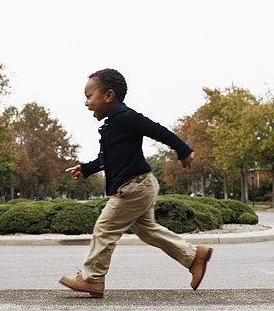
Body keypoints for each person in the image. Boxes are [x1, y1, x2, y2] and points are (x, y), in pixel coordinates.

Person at [59, 68, 213, 298]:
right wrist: (88, 168)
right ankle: (193, 256)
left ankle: (92, 278)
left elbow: (155, 129)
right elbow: (108, 158)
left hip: (134, 187)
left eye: (89, 96)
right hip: (142, 184)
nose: (86, 102)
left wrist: (183, 150)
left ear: (108, 96)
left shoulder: (124, 117)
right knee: (148, 230)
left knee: (104, 229)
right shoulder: (113, 123)